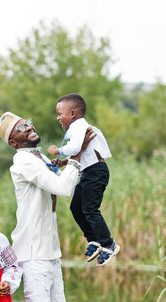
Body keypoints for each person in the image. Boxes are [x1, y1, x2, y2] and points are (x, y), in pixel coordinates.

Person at [0, 112, 90, 302]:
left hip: (50, 251)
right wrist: (75, 159)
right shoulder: (23, 161)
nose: (30, 126)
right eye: (22, 127)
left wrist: (62, 162)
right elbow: (62, 188)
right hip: (33, 252)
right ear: (13, 141)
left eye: (29, 122)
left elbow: (55, 177)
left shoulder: (36, 158)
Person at [47, 93, 120, 266]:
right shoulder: (78, 128)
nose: (58, 118)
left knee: (90, 209)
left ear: (72, 114)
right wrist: (64, 162)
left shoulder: (79, 126)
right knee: (76, 207)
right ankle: (93, 240)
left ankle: (108, 243)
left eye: (60, 113)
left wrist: (58, 150)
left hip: (95, 172)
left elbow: (76, 147)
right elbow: (82, 152)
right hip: (88, 172)